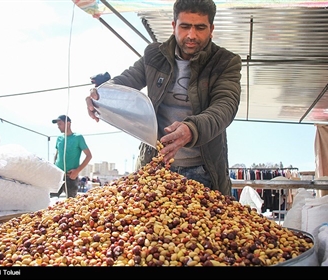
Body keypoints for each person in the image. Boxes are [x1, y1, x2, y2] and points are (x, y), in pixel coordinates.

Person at [85, 0, 242, 196]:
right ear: (174, 26)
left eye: (200, 28)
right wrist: (102, 94)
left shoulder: (225, 62)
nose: (191, 35)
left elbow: (225, 105)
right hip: (154, 165)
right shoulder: (154, 55)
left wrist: (192, 129)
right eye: (185, 26)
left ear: (211, 29)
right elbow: (127, 81)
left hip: (202, 170)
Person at [50, 115, 92, 198]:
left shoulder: (78, 138)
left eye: (60, 124)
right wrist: (53, 167)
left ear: (68, 123)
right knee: (51, 200)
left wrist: (77, 171)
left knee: (71, 202)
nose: (58, 126)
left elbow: (89, 156)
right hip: (57, 175)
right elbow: (57, 154)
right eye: (57, 125)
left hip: (71, 176)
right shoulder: (59, 138)